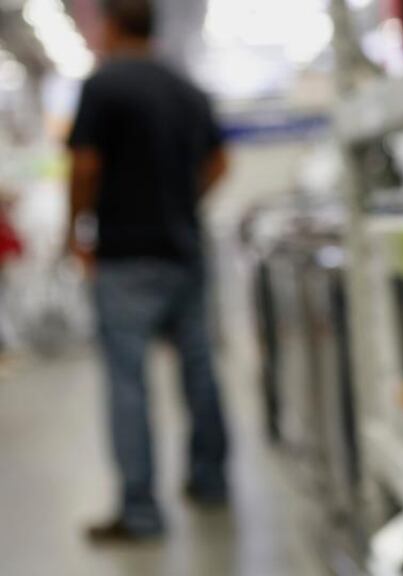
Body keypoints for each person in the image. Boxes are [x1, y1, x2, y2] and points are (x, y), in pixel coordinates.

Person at [66, 0, 230, 542]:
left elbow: (86, 165)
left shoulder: (103, 86)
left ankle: (140, 513)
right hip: (184, 250)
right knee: (200, 371)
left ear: (109, 27)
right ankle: (211, 482)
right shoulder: (187, 90)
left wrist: (77, 229)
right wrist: (185, 203)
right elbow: (220, 162)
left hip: (125, 256)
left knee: (128, 384)